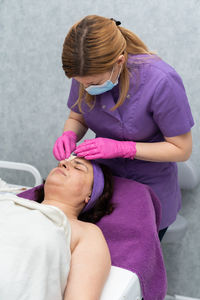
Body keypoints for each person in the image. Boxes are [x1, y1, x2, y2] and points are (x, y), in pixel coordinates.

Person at [53, 15, 194, 240]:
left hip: (149, 192)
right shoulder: (86, 72)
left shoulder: (161, 80)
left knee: (135, 266)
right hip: (104, 187)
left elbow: (182, 149)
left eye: (93, 83)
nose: (86, 88)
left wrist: (123, 149)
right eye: (81, 83)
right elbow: (77, 117)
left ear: (118, 62)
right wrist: (69, 134)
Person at [0, 156, 114, 300]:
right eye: (63, 162)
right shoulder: (9, 202)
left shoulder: (85, 232)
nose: (63, 163)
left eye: (78, 167)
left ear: (90, 195)